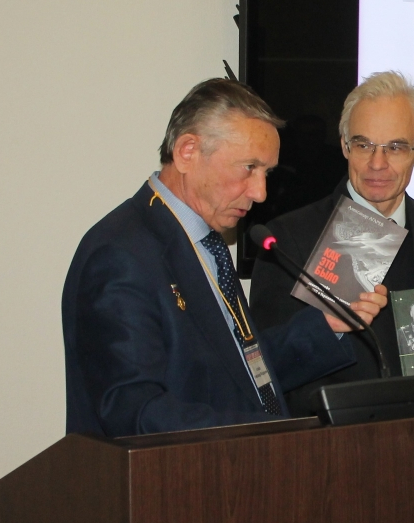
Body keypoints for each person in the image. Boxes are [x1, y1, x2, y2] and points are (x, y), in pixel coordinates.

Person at [63, 79, 387, 437]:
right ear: (187, 151)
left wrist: (327, 325)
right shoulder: (121, 254)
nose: (260, 192)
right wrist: (272, 432)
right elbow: (133, 411)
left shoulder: (205, 243)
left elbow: (241, 371)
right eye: (249, 167)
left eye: (266, 173)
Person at [250, 71, 414, 410]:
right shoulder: (287, 239)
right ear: (344, 145)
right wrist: (326, 328)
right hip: (333, 438)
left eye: (395, 147)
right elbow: (260, 372)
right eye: (363, 145)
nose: (377, 164)